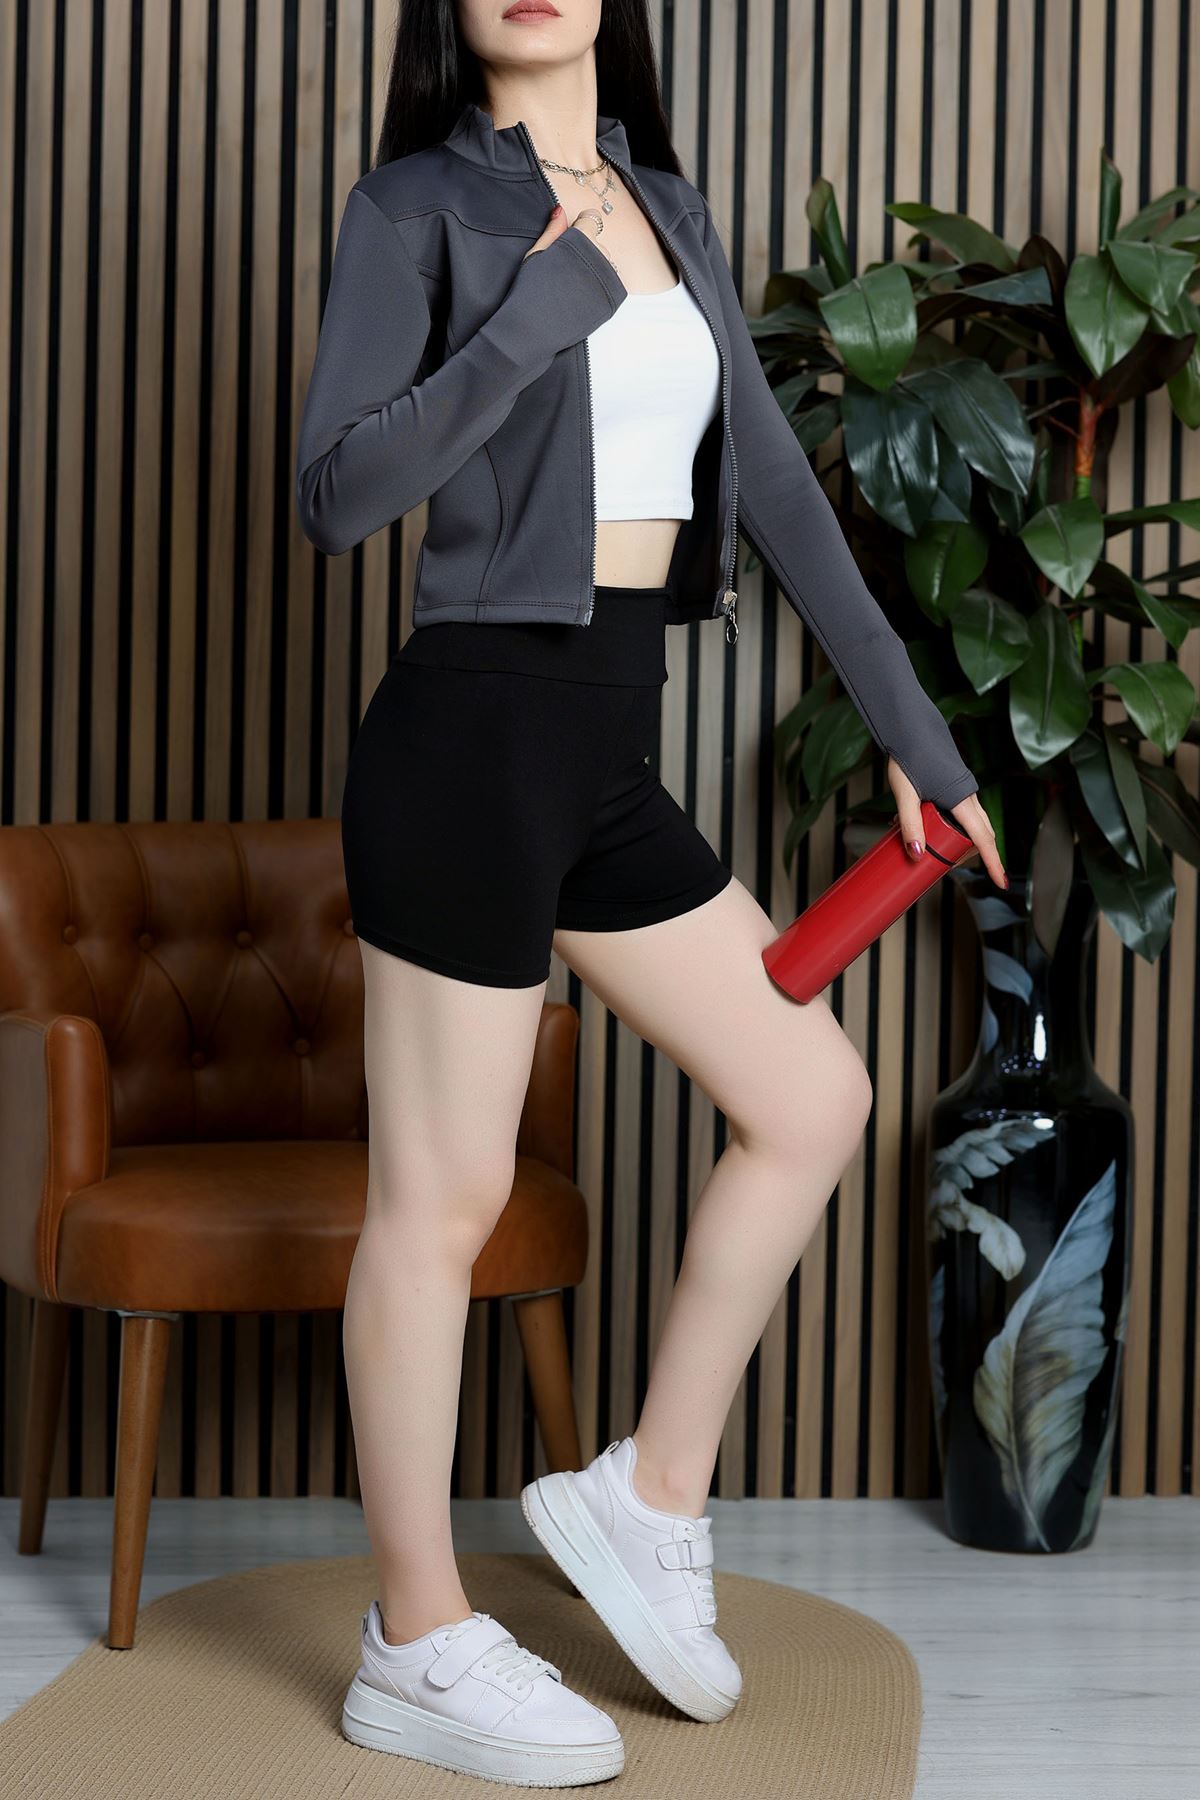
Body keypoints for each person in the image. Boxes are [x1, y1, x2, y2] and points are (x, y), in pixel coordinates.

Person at [295, 0, 1005, 1786]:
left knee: (811, 1097)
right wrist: (536, 313)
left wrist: (922, 742)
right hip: (468, 739)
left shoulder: (669, 207)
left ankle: (647, 1492)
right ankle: (414, 1638)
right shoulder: (412, 208)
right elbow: (335, 493)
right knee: (439, 1204)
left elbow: (770, 489)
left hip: (606, 750)